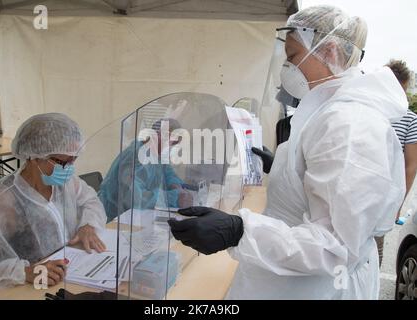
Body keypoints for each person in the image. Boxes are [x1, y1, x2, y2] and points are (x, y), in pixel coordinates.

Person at [168, 5, 408, 299]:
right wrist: (283, 164)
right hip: (289, 277)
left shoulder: (349, 124)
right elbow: (321, 184)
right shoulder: (331, 111)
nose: (287, 68)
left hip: (318, 287)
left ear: (329, 51)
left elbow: (334, 247)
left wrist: (239, 230)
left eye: (293, 56)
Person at [0, 113, 107, 292]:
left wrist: (88, 225)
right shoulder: (1, 200)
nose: (69, 168)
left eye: (74, 159)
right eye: (61, 161)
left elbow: (91, 200)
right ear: (33, 156)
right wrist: (23, 272)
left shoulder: (66, 183)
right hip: (26, 289)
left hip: (70, 280)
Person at [99, 118, 193, 222]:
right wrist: (174, 198)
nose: (171, 147)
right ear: (156, 135)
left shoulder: (156, 154)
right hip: (116, 220)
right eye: (171, 142)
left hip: (141, 216)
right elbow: (134, 198)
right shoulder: (135, 157)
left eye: (175, 144)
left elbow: (168, 173)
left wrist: (178, 189)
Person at [374, 60, 417, 266]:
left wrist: (398, 203)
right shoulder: (370, 109)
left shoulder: (410, 118)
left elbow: (410, 165)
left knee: (374, 248)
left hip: (383, 196)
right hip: (357, 189)